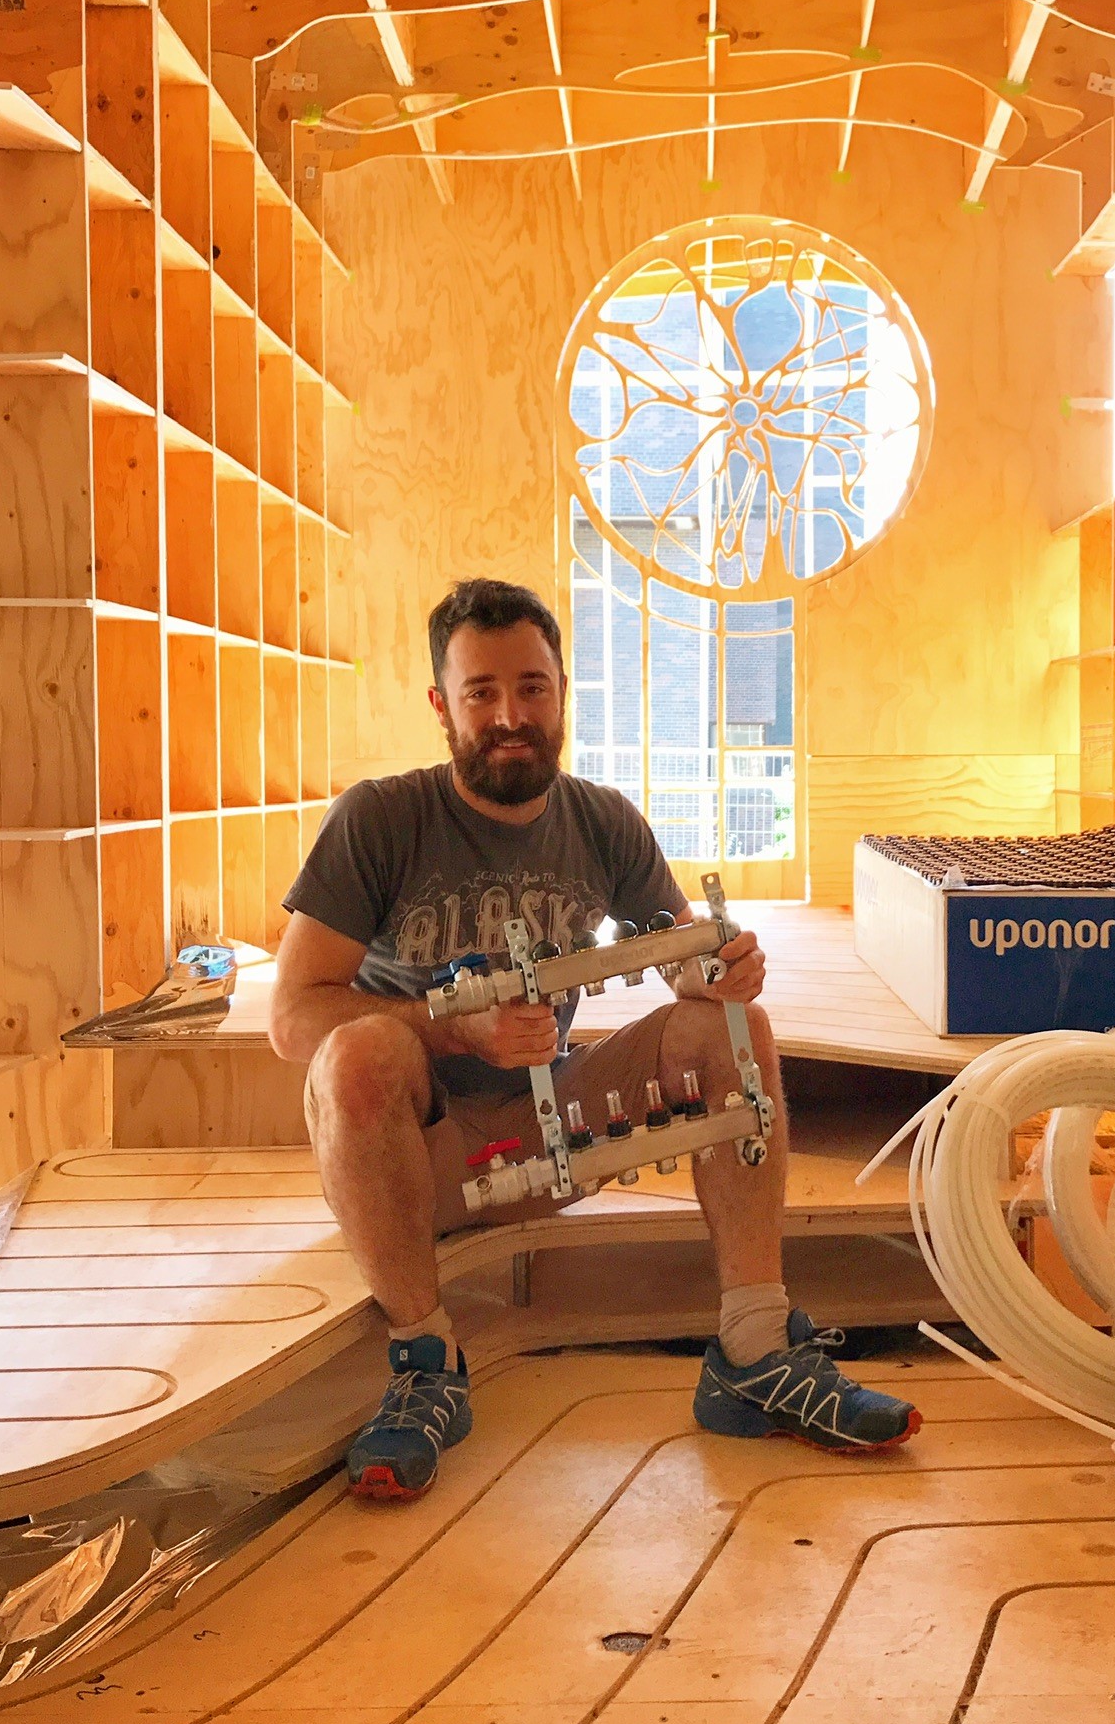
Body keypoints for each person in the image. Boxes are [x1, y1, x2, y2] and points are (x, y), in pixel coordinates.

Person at [268, 578, 920, 1499]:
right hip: (419, 1161)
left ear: (563, 690)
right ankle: (425, 1363)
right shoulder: (381, 819)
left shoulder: (601, 821)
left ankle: (755, 1348)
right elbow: (293, 1016)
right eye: (481, 692)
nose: (509, 715)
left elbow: (683, 956)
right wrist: (450, 1024)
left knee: (733, 1030)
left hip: (545, 1134)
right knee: (357, 1054)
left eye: (531, 688)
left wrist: (721, 968)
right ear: (441, 706)